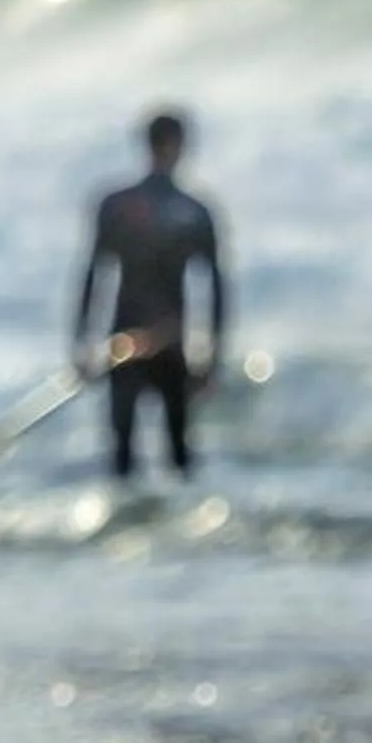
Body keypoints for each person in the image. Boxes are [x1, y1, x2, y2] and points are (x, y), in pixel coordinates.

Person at [73, 110, 227, 482]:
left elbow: (94, 276)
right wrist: (213, 357)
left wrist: (82, 342)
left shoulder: (115, 205)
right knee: (180, 459)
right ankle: (181, 535)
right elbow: (217, 289)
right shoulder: (194, 212)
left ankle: (121, 533)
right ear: (179, 145)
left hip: (121, 340)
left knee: (121, 459)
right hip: (172, 344)